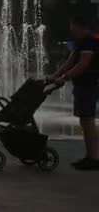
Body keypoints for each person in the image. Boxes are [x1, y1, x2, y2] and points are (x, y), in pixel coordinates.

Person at [50, 16, 99, 170]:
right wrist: (53, 77)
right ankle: (90, 156)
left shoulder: (90, 42)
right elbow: (70, 62)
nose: (71, 30)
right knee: (85, 121)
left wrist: (64, 78)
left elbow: (83, 64)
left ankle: (94, 158)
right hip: (83, 86)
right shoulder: (81, 43)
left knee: (87, 120)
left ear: (80, 26)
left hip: (89, 85)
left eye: (72, 27)